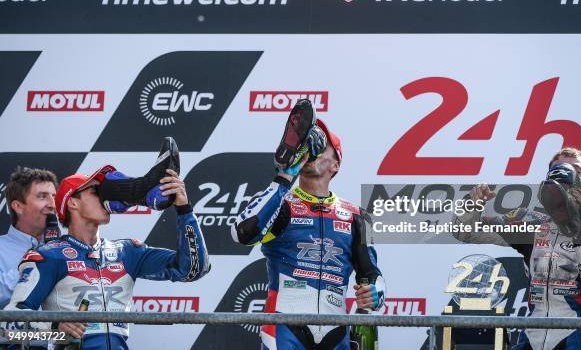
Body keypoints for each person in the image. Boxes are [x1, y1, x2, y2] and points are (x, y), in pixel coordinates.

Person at [5, 139, 210, 350]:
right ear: (72, 202)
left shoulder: (128, 252)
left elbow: (193, 269)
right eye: (95, 191)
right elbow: (8, 328)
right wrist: (55, 329)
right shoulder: (49, 256)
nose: (105, 196)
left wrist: (184, 209)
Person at [231, 101, 385, 350]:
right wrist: (285, 175)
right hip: (283, 325)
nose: (312, 150)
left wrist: (374, 293)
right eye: (309, 143)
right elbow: (241, 233)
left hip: (336, 330)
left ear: (336, 165)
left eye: (321, 146)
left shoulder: (357, 216)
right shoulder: (281, 205)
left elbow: (372, 276)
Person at [453, 147, 581, 350]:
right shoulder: (529, 223)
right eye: (559, 169)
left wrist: (579, 232)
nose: (567, 175)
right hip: (532, 336)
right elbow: (463, 231)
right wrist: (471, 204)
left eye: (576, 170)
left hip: (578, 337)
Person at [0, 167, 57, 309]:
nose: (52, 205)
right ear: (18, 206)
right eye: (42, 196)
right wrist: (35, 263)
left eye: (54, 197)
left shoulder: (66, 247)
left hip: (58, 332)